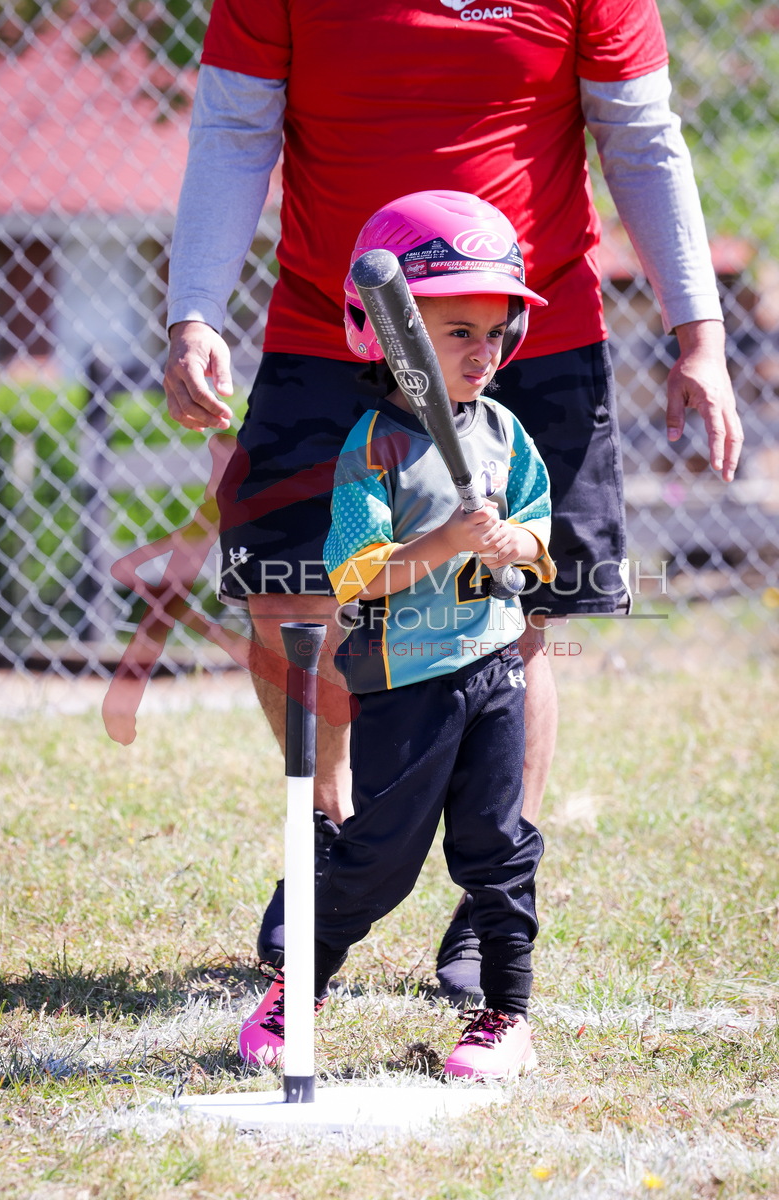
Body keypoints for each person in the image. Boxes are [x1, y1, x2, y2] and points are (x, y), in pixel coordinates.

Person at [163, 0, 744, 1002]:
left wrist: (700, 333)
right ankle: (325, 838)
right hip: (330, 327)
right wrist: (194, 311)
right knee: (287, 598)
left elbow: (640, 135)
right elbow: (233, 128)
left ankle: (493, 893)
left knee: (514, 610)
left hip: (521, 330)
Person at [239, 192, 555, 1079]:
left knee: (498, 848)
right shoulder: (375, 445)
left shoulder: (504, 431)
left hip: (494, 670)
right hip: (406, 682)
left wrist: (516, 543)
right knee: (378, 859)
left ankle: (505, 1014)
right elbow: (356, 575)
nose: (482, 351)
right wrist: (446, 540)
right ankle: (300, 985)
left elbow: (539, 533)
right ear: (390, 335)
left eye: (493, 333)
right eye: (456, 332)